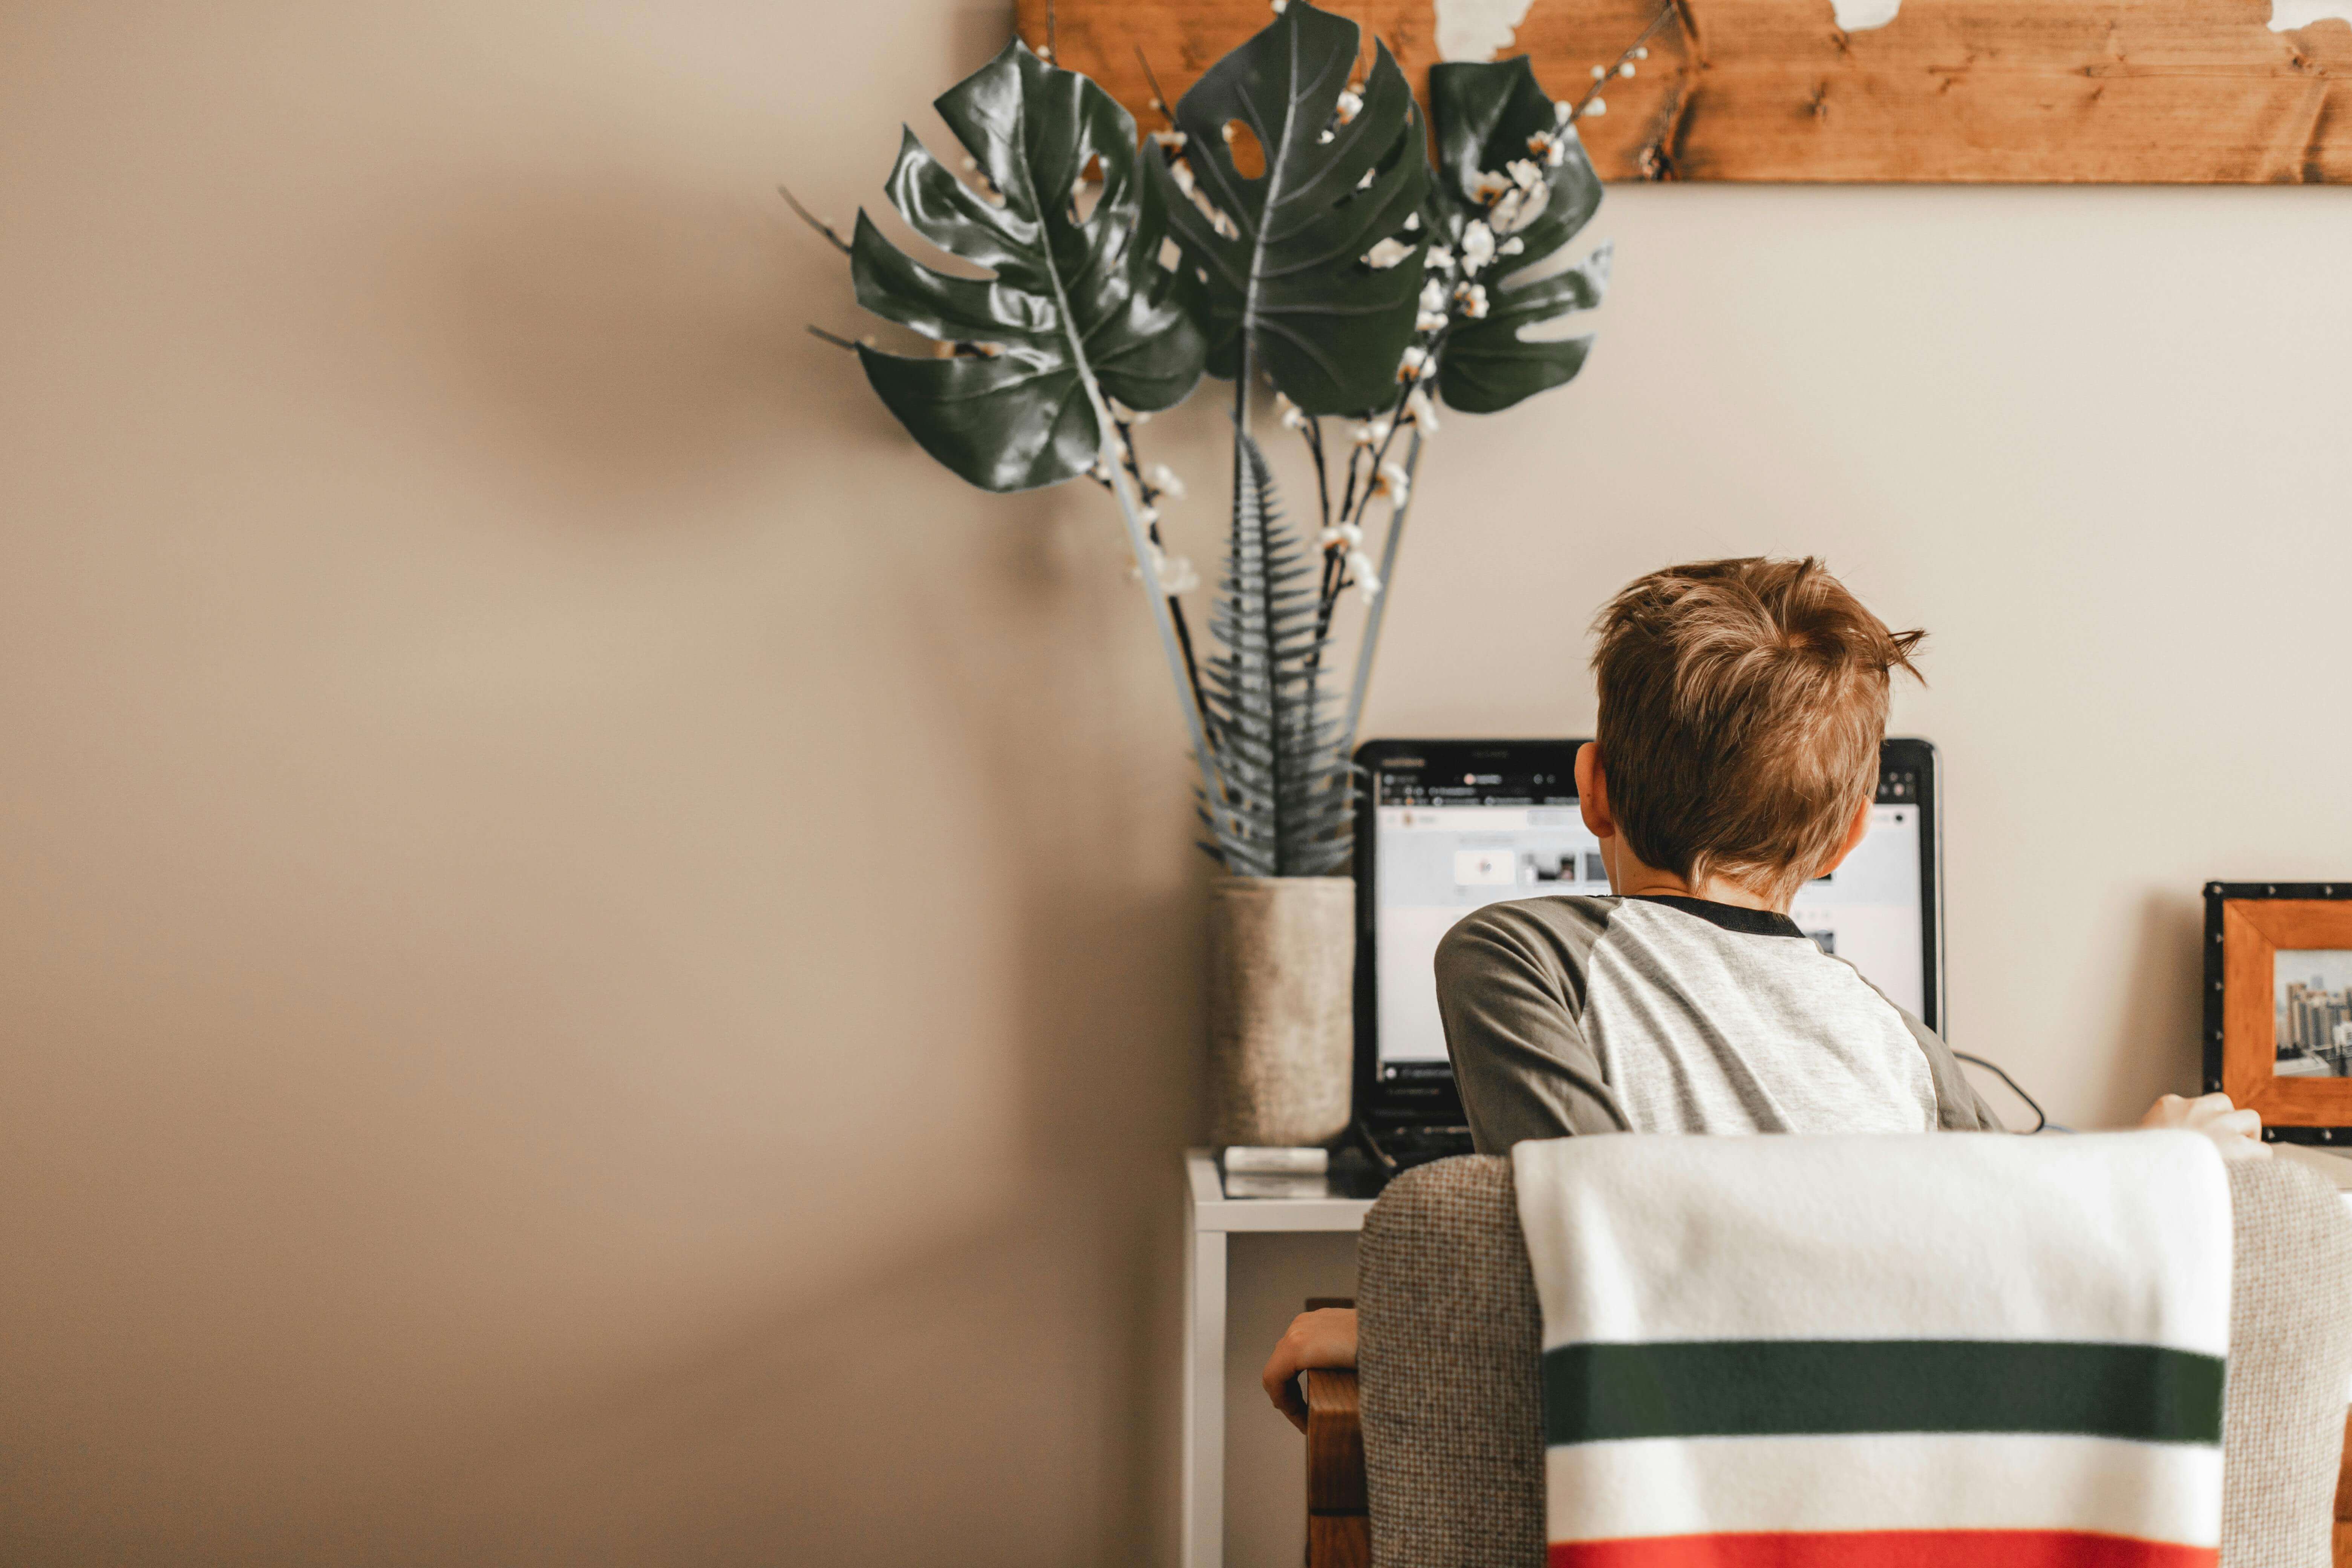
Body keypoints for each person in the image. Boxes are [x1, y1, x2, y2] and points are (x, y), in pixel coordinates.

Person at [1261, 556, 2264, 1431]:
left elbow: (1597, 1243)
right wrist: (2149, 1168)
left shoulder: (1519, 954)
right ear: (1852, 833)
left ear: (1592, 787)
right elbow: (1993, 1269)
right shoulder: (1905, 1044)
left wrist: (1392, 1329)